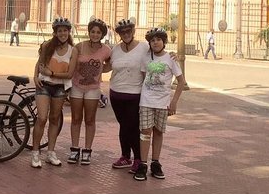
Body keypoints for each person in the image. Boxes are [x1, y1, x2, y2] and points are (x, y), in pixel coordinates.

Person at [133, 27, 185, 181]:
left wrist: (174, 102)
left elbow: (181, 81)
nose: (155, 43)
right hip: (147, 101)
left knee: (159, 132)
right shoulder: (146, 58)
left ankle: (155, 162)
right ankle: (143, 163)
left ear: (164, 42)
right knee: (145, 131)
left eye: (158, 40)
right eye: (152, 40)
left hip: (163, 102)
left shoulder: (170, 58)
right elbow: (144, 77)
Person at [31, 17, 78, 168]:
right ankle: (35, 152)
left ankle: (50, 152)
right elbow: (39, 63)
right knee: (42, 118)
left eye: (65, 30)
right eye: (59, 31)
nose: (62, 33)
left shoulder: (73, 50)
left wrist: (51, 73)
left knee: (54, 119)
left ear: (69, 32)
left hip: (59, 88)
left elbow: (70, 74)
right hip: (44, 85)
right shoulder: (47, 45)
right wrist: (35, 76)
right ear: (55, 33)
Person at [108, 18, 150, 172]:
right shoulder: (115, 50)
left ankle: (138, 158)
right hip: (116, 93)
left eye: (128, 31)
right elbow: (105, 65)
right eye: (122, 32)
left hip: (134, 94)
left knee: (132, 126)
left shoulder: (144, 48)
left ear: (133, 31)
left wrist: (171, 55)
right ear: (119, 34)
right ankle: (125, 156)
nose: (125, 34)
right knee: (123, 126)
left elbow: (157, 56)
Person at [67, 18, 111, 165]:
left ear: (102, 34)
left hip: (93, 89)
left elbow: (111, 64)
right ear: (89, 32)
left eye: (98, 32)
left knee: (90, 120)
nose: (95, 35)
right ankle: (74, 149)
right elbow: (70, 64)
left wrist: (99, 71)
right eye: (93, 32)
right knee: (76, 118)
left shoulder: (106, 50)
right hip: (77, 87)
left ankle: (87, 150)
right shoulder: (79, 47)